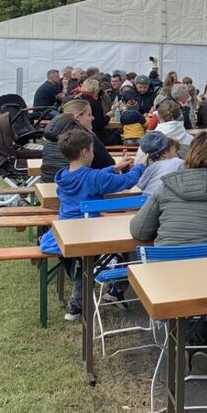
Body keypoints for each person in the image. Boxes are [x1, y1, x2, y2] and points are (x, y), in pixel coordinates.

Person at [129, 131, 207, 374]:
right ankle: (196, 342)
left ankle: (186, 343)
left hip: (165, 274)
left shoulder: (167, 186)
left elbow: (139, 230)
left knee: (196, 290)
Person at [40, 129, 144, 320]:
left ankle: (77, 304)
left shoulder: (63, 175)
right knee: (123, 245)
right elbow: (127, 181)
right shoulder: (94, 178)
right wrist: (140, 166)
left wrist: (114, 167)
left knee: (87, 263)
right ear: (85, 152)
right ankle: (114, 287)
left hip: (65, 231)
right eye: (92, 150)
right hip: (89, 232)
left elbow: (90, 177)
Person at [40, 99, 116, 183]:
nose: (93, 118)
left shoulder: (51, 133)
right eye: (89, 115)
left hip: (47, 181)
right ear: (77, 117)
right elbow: (108, 164)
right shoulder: (84, 137)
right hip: (73, 185)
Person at [135, 131, 184, 196]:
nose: (177, 154)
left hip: (147, 198)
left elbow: (140, 185)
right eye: (175, 152)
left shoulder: (151, 168)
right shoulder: (178, 162)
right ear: (164, 154)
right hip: (166, 198)